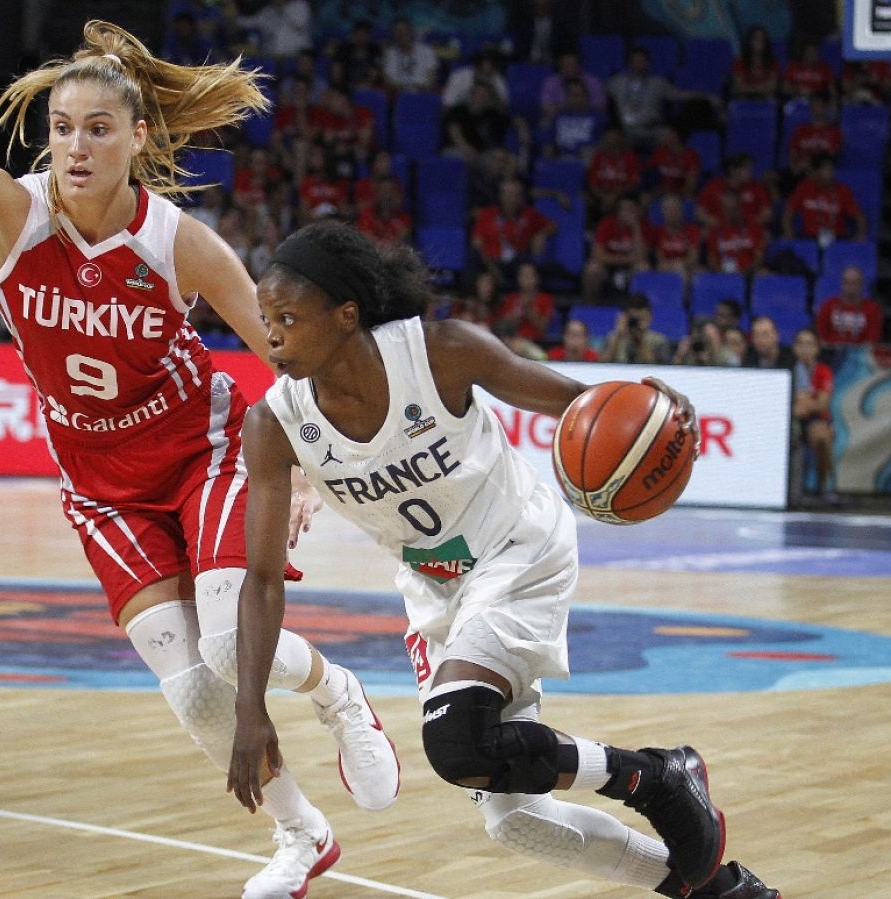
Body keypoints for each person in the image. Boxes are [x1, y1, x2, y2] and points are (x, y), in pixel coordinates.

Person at [0, 9, 401, 898]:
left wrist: (301, 467)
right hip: (100, 485)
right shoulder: (12, 212)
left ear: (138, 138)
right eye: (61, 129)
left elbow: (286, 353)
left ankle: (337, 693)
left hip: (205, 451)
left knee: (230, 646)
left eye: (97, 129)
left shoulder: (177, 241)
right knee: (192, 688)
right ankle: (302, 834)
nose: (75, 147)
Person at [227, 221, 779, 899]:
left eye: (287, 319)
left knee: (455, 740)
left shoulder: (441, 353)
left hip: (518, 548)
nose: (272, 338)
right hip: (435, 590)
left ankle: (654, 776)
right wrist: (249, 707)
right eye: (266, 321)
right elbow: (261, 579)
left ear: (346, 314)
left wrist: (655, 407)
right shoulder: (274, 424)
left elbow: (580, 404)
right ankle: (719, 890)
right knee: (516, 817)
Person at [791, 327, 837, 503]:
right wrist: (805, 402)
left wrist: (803, 404)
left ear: (817, 348)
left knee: (823, 438)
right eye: (801, 344)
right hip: (791, 416)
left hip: (814, 418)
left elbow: (822, 404)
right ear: (794, 348)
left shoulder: (823, 371)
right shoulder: (789, 367)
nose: (805, 349)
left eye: (809, 345)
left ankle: (822, 486)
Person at [782, 155, 865, 244]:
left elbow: (859, 217)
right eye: (827, 169)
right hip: (808, 239)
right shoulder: (804, 188)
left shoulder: (842, 191)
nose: (831, 172)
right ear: (816, 171)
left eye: (832, 169)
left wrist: (860, 234)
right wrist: (788, 233)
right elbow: (788, 213)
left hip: (836, 239)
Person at [815, 265, 883, 345]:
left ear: (861, 285)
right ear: (842, 284)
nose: (850, 286)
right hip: (832, 350)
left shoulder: (872, 308)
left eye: (854, 283)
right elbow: (821, 336)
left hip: (860, 351)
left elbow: (872, 339)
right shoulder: (828, 305)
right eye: (847, 282)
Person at [603, 296, 674, 364]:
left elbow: (659, 367)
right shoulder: (613, 338)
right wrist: (618, 336)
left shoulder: (659, 341)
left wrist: (638, 341)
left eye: (642, 318)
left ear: (650, 317)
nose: (637, 323)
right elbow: (602, 364)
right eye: (634, 319)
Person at [729, 27, 777, 100]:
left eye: (762, 39)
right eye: (756, 38)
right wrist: (759, 89)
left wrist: (750, 88)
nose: (759, 42)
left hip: (765, 99)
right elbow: (739, 87)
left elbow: (771, 87)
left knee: (771, 99)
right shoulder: (739, 62)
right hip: (744, 98)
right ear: (749, 41)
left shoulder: (772, 62)